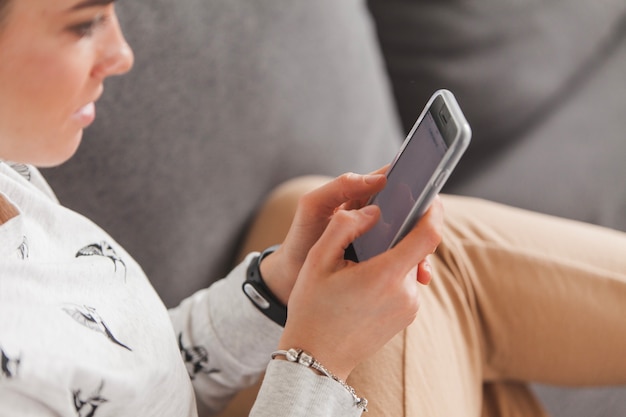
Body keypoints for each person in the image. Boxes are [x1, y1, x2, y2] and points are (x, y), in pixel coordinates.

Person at [0, 2, 624, 417]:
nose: (121, 53)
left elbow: (128, 377)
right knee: (437, 272)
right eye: (83, 24)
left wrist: (275, 286)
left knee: (373, 244)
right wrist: (318, 358)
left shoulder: (14, 178)